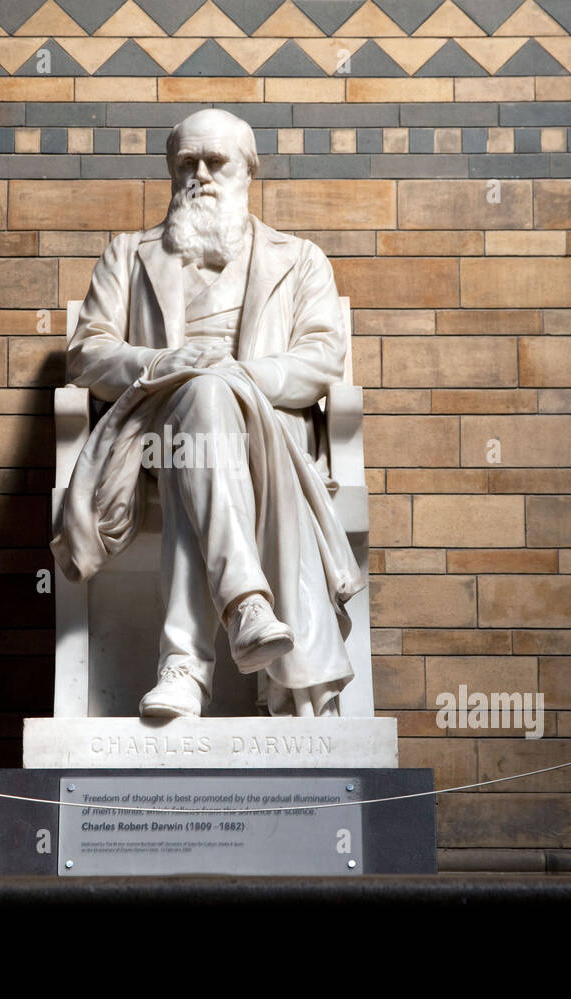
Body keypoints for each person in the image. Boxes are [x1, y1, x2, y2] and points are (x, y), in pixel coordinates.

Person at [50, 109, 363, 719]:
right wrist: (169, 362)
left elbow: (322, 356)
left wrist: (245, 376)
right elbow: (87, 354)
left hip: (265, 433)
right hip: (154, 438)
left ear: (249, 171)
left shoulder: (299, 260)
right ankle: (247, 607)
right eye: (186, 163)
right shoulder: (127, 255)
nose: (201, 175)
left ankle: (186, 667)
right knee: (200, 407)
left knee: (212, 407)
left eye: (216, 162)